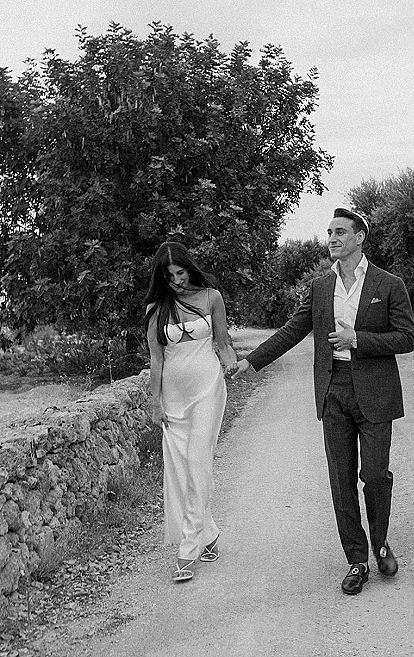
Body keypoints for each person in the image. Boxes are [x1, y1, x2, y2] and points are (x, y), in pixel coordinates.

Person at [231, 208, 414, 595]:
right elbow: (292, 330)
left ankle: (380, 542)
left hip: (376, 392)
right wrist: (253, 360)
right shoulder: (319, 287)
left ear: (360, 237)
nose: (331, 238)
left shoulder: (388, 284)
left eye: (340, 232)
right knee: (341, 480)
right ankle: (357, 560)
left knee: (375, 475)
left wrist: (358, 340)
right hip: (333, 391)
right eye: (329, 232)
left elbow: (406, 338)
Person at [145, 241, 236, 582]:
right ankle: (209, 532)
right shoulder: (156, 310)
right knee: (182, 467)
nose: (177, 281)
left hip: (208, 389)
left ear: (189, 267)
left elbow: (223, 343)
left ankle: (188, 545)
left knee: (198, 459)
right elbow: (157, 359)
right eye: (169, 277)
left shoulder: (211, 297)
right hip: (173, 396)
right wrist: (155, 402)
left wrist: (238, 366)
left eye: (180, 272)